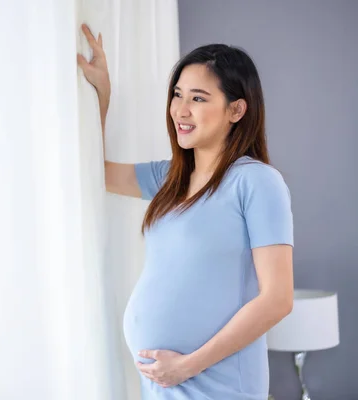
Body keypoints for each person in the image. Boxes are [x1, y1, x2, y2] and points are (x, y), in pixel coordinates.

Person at [77, 24, 294, 400]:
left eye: (198, 98)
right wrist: (101, 94)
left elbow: (277, 299)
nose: (181, 109)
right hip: (162, 384)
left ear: (236, 109)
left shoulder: (257, 183)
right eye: (177, 95)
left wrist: (188, 365)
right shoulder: (170, 177)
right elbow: (97, 173)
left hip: (217, 385)